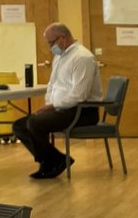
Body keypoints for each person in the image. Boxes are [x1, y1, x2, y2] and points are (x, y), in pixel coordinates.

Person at [12, 23, 102, 179]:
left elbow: (79, 95)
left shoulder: (82, 58)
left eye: (51, 42)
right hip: (61, 109)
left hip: (82, 111)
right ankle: (56, 159)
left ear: (63, 38)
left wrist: (54, 106)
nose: (50, 47)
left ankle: (48, 163)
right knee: (19, 126)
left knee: (35, 123)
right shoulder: (59, 58)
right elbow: (52, 85)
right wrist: (48, 104)